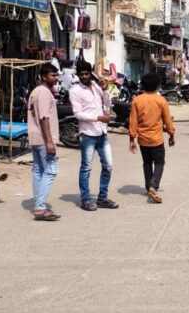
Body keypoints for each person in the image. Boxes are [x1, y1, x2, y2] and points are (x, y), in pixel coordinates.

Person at [69, 61, 118, 212]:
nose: (84, 76)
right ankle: (85, 199)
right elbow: (78, 114)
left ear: (90, 73)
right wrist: (98, 118)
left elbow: (107, 104)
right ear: (78, 75)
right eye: (81, 74)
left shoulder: (97, 86)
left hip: (102, 132)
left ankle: (102, 198)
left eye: (86, 73)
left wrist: (105, 90)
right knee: (86, 168)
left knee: (108, 166)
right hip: (88, 134)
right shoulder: (75, 90)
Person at [128, 73, 175, 204]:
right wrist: (171, 134)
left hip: (143, 139)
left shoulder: (137, 100)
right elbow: (167, 121)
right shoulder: (161, 101)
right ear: (157, 85)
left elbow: (133, 121)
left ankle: (149, 186)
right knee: (159, 162)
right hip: (157, 139)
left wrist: (132, 139)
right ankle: (153, 186)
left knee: (147, 163)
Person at [27, 62, 61, 221]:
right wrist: (49, 142)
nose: (56, 78)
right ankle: (40, 207)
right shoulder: (43, 92)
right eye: (52, 75)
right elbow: (44, 118)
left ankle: (39, 204)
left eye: (56, 75)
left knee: (38, 171)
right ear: (43, 77)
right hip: (43, 138)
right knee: (51, 170)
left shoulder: (35, 92)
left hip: (35, 137)